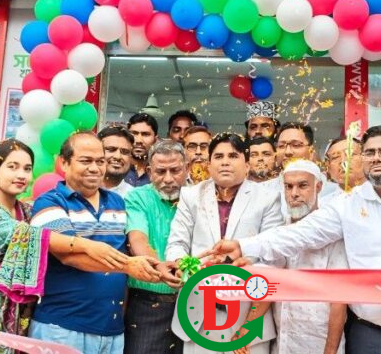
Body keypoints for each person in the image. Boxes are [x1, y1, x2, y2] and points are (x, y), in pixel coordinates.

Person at [206, 125, 381, 352]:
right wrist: (243, 245)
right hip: (371, 337)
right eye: (369, 153)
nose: (376, 158)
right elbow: (298, 234)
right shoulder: (346, 205)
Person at [0, 139, 145, 354]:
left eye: (27, 168)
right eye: (12, 167)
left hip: (11, 306)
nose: (21, 175)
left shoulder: (25, 210)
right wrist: (90, 246)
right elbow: (31, 237)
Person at [30, 133, 161, 354]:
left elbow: (126, 249)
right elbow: (68, 256)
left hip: (112, 331)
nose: (95, 168)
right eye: (85, 161)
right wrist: (128, 266)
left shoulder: (117, 202)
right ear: (64, 163)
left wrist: (161, 268)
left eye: (100, 161)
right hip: (62, 327)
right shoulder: (49, 201)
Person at [166, 133, 284, 354]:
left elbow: (274, 254)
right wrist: (182, 265)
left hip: (248, 313)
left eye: (233, 156)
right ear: (209, 165)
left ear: (246, 164)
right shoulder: (191, 196)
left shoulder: (267, 198)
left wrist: (241, 265)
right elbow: (177, 243)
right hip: (198, 311)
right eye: (219, 156)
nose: (225, 162)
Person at [271, 159, 347, 354]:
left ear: (318, 187)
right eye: (288, 187)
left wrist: (330, 351)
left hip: (319, 343)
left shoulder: (332, 234)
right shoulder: (279, 231)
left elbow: (339, 302)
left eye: (302, 185)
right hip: (282, 341)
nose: (294, 193)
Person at [124, 140, 189, 354]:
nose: (168, 179)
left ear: (187, 168)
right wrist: (159, 267)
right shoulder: (138, 197)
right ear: (150, 172)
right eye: (161, 172)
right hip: (147, 304)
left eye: (175, 170)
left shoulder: (198, 198)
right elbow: (138, 239)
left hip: (193, 303)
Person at [99, 125, 136, 196]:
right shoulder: (81, 192)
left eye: (124, 152)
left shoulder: (135, 197)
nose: (118, 156)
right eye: (111, 150)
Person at [126, 113, 159, 187]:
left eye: (145, 134)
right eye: (134, 133)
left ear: (155, 140)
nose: (139, 140)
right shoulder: (116, 168)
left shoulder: (160, 172)